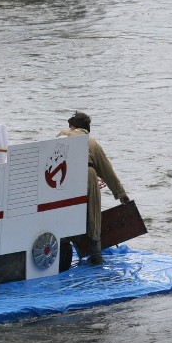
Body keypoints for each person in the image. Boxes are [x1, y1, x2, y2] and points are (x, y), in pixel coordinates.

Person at [58, 111, 130, 265]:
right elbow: (107, 172)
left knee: (64, 214)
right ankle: (96, 257)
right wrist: (121, 194)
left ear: (73, 126)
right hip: (89, 174)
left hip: (67, 174)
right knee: (93, 217)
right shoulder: (92, 143)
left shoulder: (63, 134)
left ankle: (63, 260)